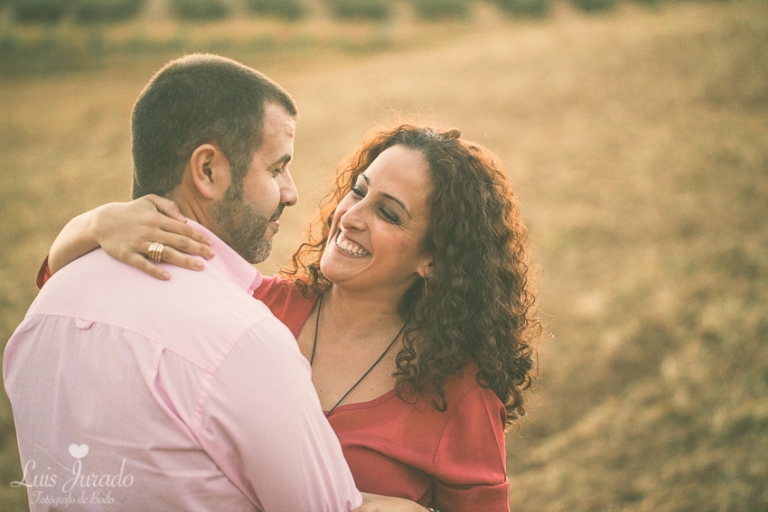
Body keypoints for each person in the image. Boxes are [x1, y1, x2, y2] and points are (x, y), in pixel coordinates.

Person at [38, 123, 541, 511]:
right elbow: (69, 290)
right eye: (358, 190)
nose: (351, 216)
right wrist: (97, 221)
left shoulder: (458, 391)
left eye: (388, 213)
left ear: (433, 259)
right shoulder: (250, 304)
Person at [3, 53, 368, 511]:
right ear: (208, 171)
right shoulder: (243, 339)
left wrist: (92, 224)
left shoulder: (45, 310)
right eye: (276, 169)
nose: (291, 192)